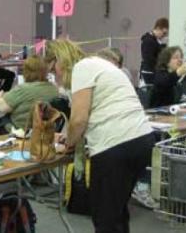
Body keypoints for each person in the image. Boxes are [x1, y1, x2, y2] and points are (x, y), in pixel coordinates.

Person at [45, 39, 155, 233]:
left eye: (53, 70)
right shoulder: (98, 64)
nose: (55, 77)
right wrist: (70, 136)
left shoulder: (82, 68)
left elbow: (79, 120)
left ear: (60, 60)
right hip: (141, 139)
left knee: (105, 219)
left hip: (115, 146)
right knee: (118, 213)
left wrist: (68, 144)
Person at [0, 55, 58, 136]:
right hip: (43, 131)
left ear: (26, 71)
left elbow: (3, 107)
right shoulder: (54, 89)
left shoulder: (23, 89)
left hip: (19, 129)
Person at [140, 17, 169, 85]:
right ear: (158, 28)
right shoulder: (148, 41)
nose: (164, 36)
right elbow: (148, 59)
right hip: (149, 72)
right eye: (164, 33)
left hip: (153, 71)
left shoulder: (156, 41)